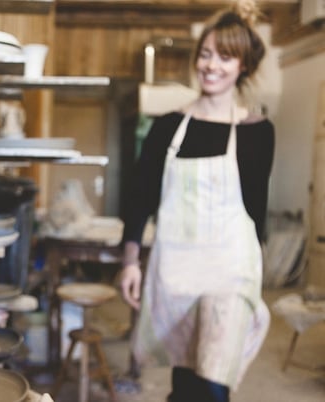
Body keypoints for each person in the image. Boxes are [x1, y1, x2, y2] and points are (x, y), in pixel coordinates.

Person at [119, 0, 274, 401]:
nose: (211, 65)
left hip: (231, 269)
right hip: (179, 269)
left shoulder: (259, 133)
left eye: (225, 57)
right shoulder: (166, 126)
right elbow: (140, 197)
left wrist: (259, 267)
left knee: (213, 376)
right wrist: (131, 260)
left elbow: (256, 207)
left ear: (243, 66)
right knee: (187, 377)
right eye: (205, 54)